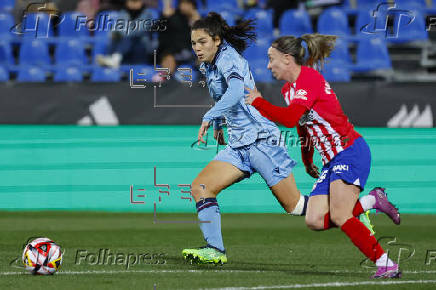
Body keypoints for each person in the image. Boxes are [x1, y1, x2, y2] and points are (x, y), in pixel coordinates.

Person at [244, 33, 401, 278]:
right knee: (314, 219)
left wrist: (257, 102)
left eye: (271, 59)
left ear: (287, 59)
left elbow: (288, 118)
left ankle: (386, 262)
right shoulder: (289, 90)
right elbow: (302, 124)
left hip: (349, 151)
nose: (268, 65)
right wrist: (308, 161)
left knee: (340, 214)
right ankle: (372, 201)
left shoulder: (309, 79)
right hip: (331, 161)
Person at [182, 12, 311, 265]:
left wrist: (209, 117)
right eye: (193, 43)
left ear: (217, 40)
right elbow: (223, 99)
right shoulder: (209, 64)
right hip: (239, 145)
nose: (197, 48)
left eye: (202, 42)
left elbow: (235, 91)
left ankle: (354, 210)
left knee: (294, 206)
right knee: (201, 188)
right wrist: (219, 122)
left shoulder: (228, 57)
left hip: (262, 141)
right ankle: (215, 250)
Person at [97, 0, 154, 67]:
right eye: (131, 1)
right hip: (126, 44)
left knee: (127, 38)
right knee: (115, 36)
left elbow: (139, 30)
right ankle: (111, 57)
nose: (133, 4)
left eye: (135, 2)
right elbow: (116, 27)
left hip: (141, 44)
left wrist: (122, 33)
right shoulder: (123, 13)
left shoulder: (147, 14)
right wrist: (115, 33)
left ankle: (115, 58)